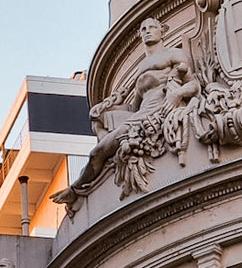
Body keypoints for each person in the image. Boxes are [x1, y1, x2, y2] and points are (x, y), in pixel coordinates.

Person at [52, 16, 198, 206]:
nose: (147, 31)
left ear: (162, 31)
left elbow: (193, 84)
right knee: (98, 121)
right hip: (142, 112)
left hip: (157, 109)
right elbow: (134, 106)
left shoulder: (172, 54)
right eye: (143, 28)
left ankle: (77, 188)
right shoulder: (141, 68)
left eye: (152, 27)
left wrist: (176, 94)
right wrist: (103, 111)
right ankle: (111, 163)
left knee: (97, 152)